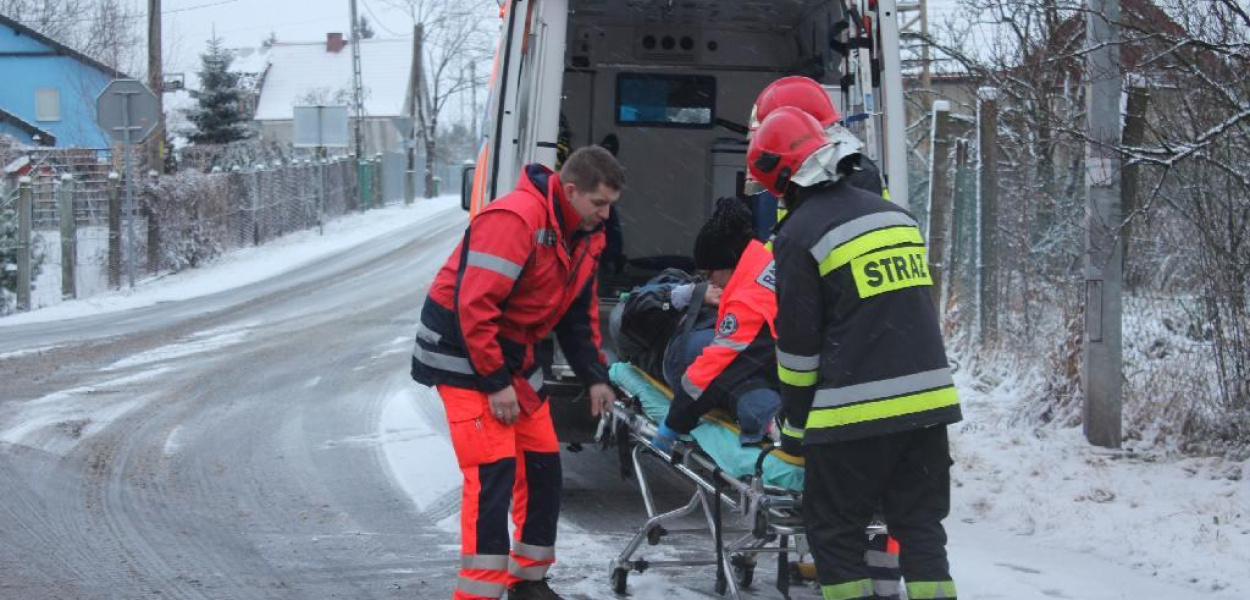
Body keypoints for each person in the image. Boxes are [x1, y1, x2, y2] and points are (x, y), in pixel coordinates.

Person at [749, 106, 961, 600]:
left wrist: (795, 434)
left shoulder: (799, 235)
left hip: (854, 414)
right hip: (928, 409)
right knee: (921, 529)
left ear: (779, 180)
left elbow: (799, 349)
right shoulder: (896, 218)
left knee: (836, 532)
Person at [410, 146, 624, 600]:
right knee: (493, 474)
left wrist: (594, 375)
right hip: (462, 352)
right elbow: (474, 307)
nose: (605, 216)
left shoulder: (584, 233)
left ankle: (528, 582)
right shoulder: (515, 221)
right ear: (570, 191)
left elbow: (575, 314)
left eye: (610, 206)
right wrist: (496, 383)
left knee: (543, 466)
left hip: (512, 351)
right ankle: (479, 593)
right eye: (598, 204)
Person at [650, 197, 782, 452]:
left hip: (796, 375)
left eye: (708, 274)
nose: (708, 281)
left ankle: (774, 421)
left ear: (726, 265)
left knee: (739, 386)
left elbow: (710, 372)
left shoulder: (747, 300)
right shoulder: (766, 262)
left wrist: (672, 424)